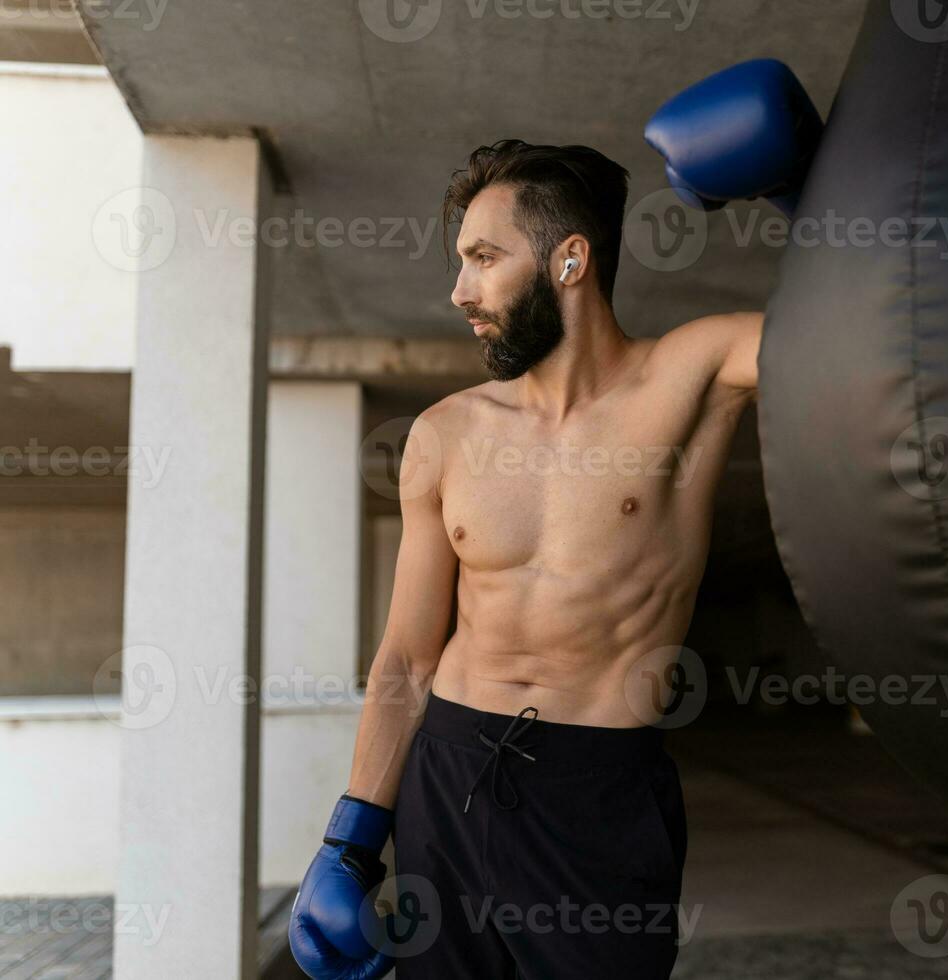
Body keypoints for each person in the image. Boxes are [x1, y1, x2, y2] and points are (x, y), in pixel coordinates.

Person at [290, 56, 821, 980]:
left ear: (570, 259)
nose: (459, 291)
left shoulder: (691, 375)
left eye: (484, 258)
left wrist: (807, 194)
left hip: (597, 794)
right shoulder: (445, 435)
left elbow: (865, 332)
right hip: (447, 776)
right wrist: (349, 841)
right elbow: (408, 657)